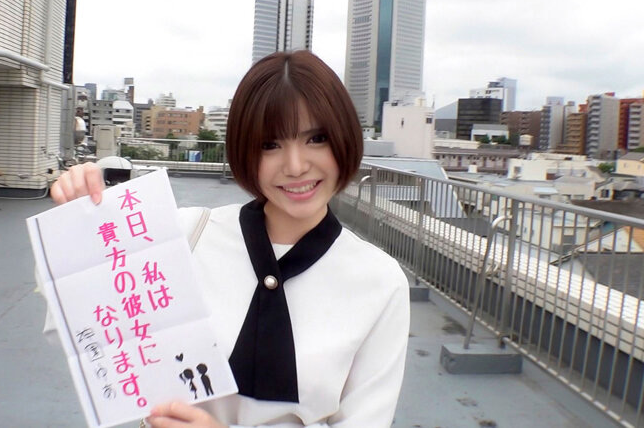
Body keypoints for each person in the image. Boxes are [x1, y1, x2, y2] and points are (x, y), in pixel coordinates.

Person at [48, 51, 410, 428]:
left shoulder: (381, 282)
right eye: (270, 145)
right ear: (244, 151)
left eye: (316, 139)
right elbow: (81, 332)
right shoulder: (186, 234)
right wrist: (80, 220)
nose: (296, 166)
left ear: (344, 138)